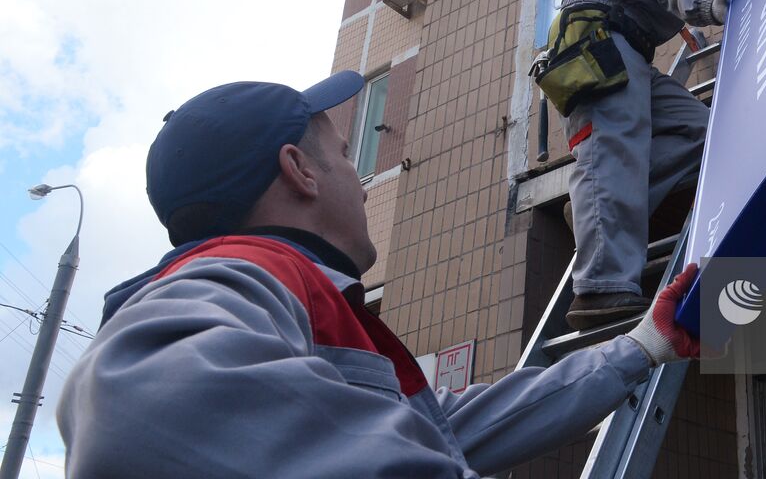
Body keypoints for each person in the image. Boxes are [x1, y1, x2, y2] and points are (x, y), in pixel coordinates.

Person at [57, 71, 700, 479]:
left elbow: (446, 429)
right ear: (298, 171)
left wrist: (643, 348)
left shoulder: (302, 301)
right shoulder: (242, 273)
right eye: (343, 155)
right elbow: (140, 406)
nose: (361, 183)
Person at [552, 0, 752, 330]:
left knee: (705, 133)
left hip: (632, 51)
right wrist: (709, 7)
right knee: (613, 148)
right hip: (598, 35)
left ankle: (594, 207)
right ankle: (601, 290)